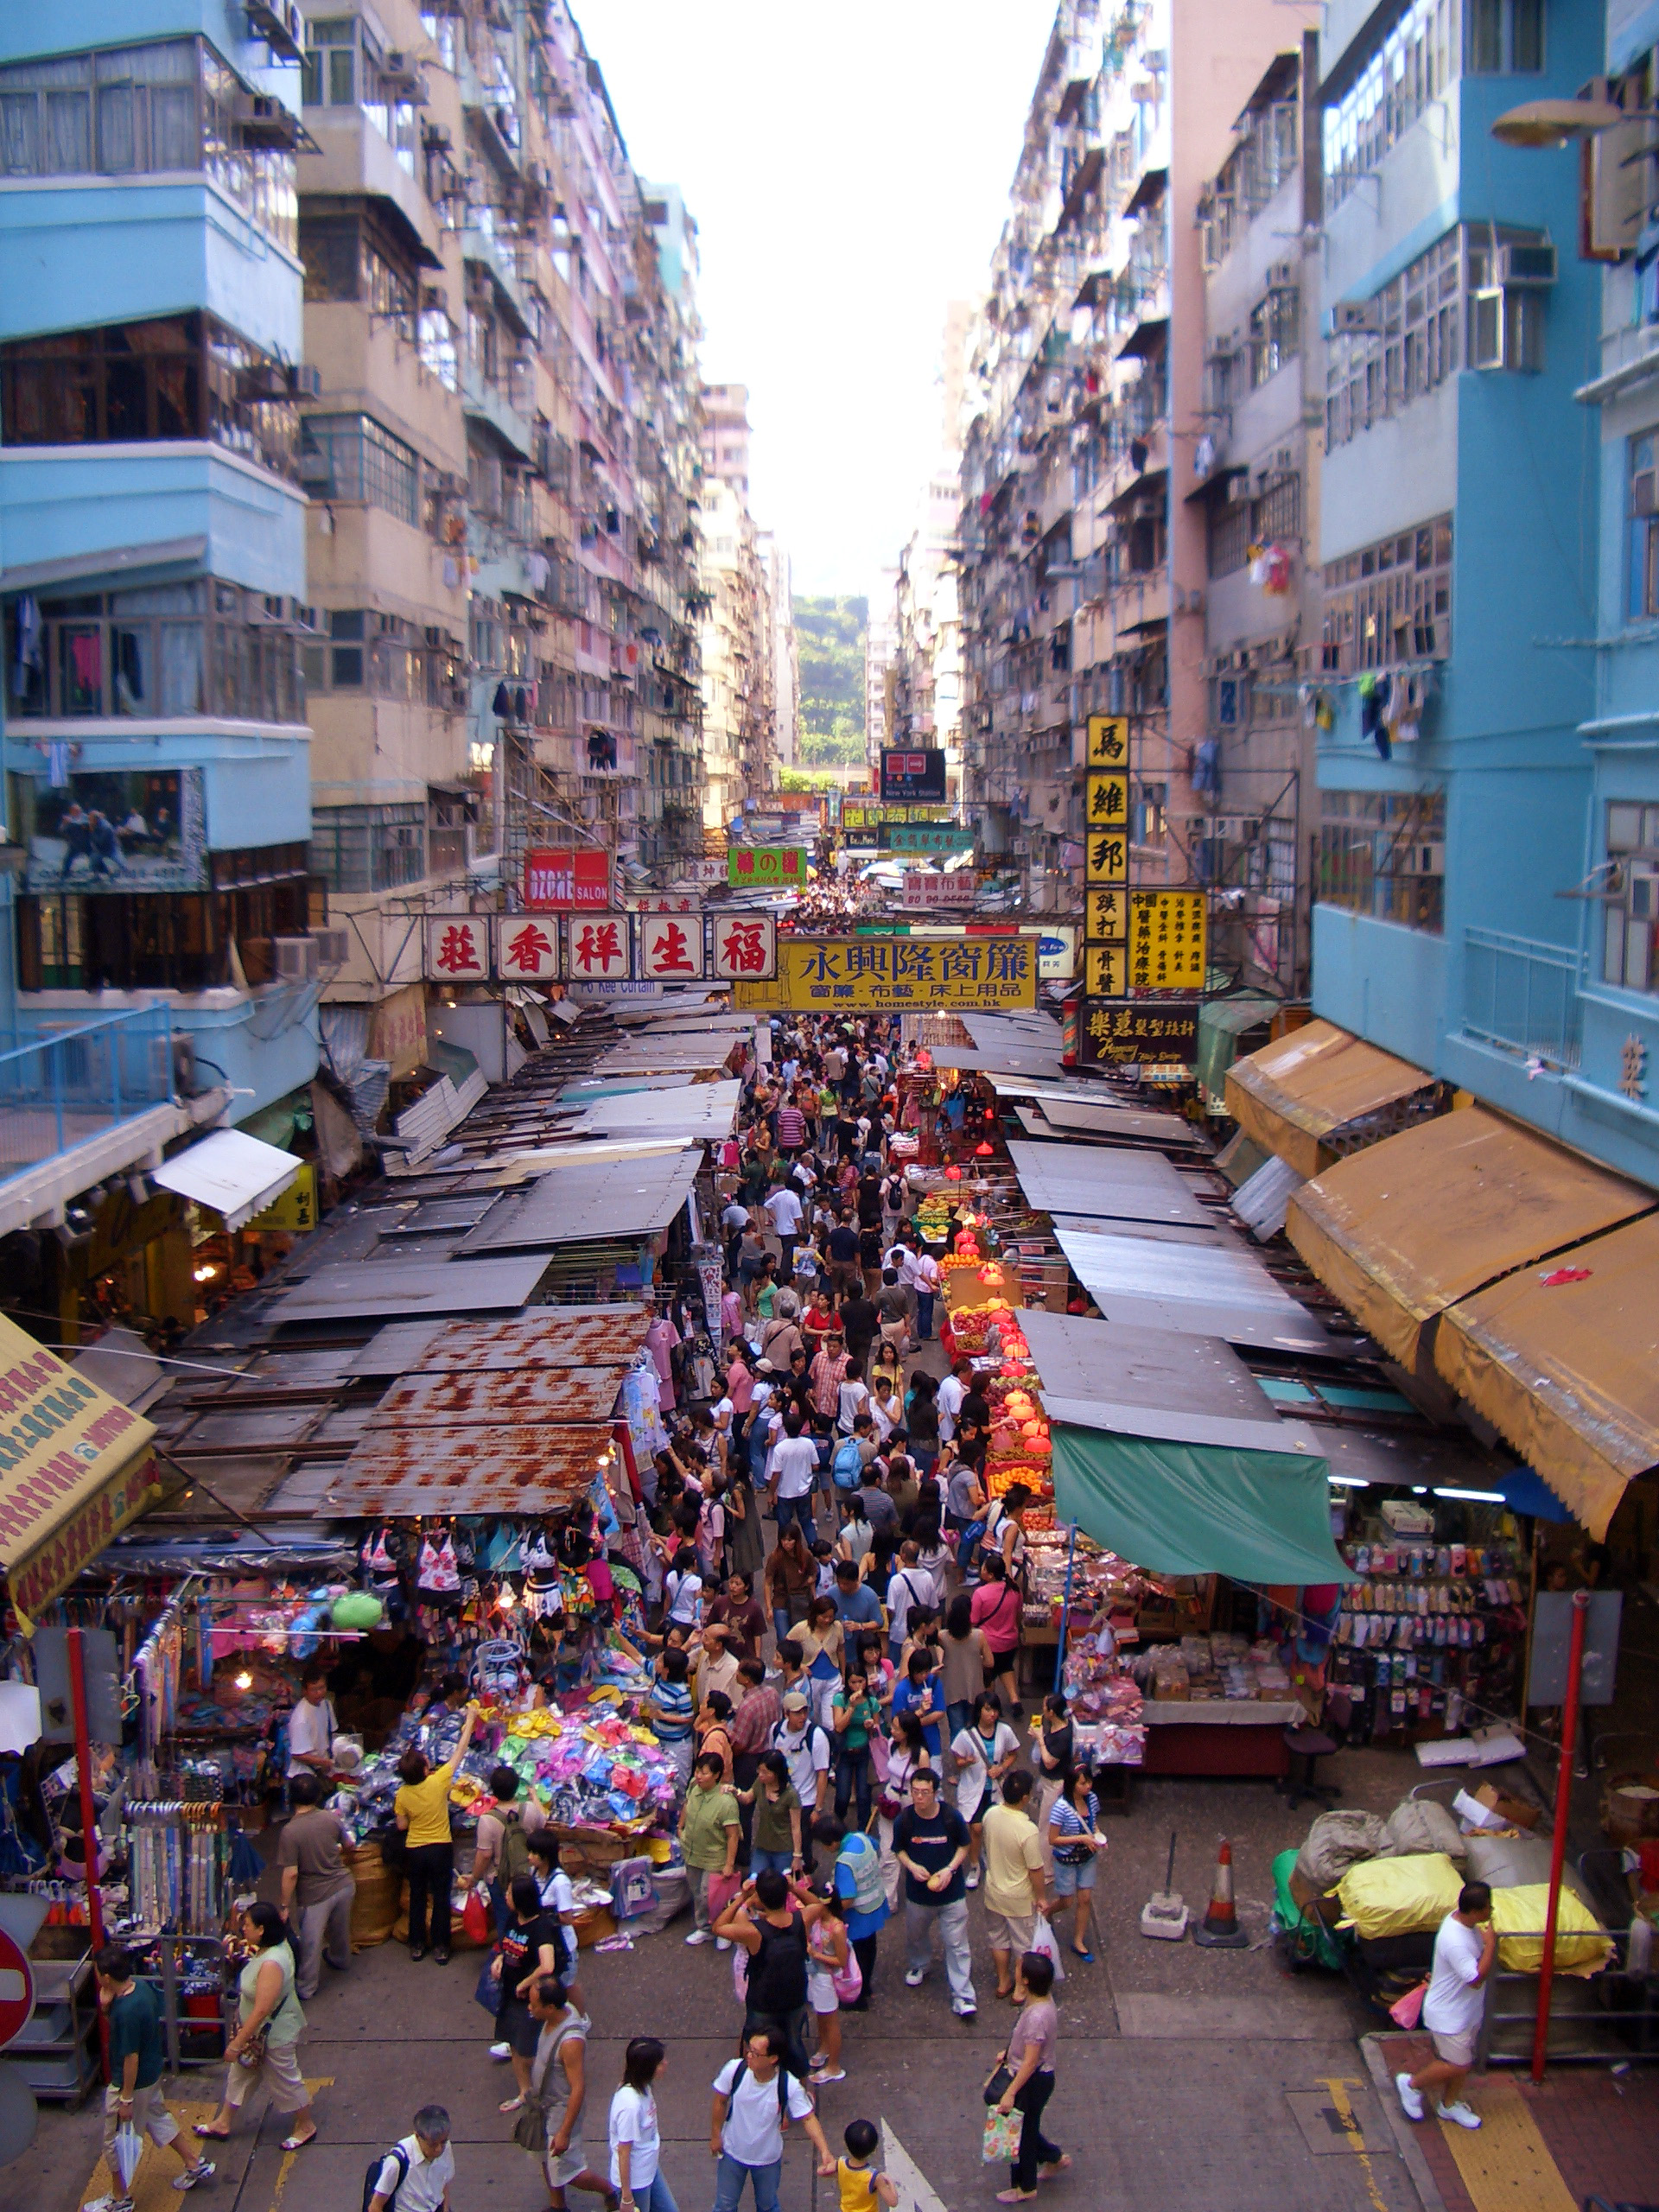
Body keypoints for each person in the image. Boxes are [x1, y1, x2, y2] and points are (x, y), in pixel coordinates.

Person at [92, 1944, 215, 2196]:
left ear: (106, 1977)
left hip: (131, 2083)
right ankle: (193, 2162)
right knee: (157, 2117)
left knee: (113, 2141)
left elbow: (130, 2057)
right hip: (151, 2075)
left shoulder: (125, 2011)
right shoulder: (141, 1987)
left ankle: (119, 2198)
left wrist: (126, 2099)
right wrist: (106, 2007)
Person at [195, 1903, 316, 2150]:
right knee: (240, 2075)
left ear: (261, 1930)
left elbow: (262, 2009)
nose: (243, 1929)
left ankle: (306, 2125)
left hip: (273, 2036)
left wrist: (237, 2043)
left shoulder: (272, 1963)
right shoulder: (273, 1947)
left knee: (285, 2080)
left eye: (247, 1925)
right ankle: (223, 2122)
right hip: (257, 2034)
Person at [1396, 1882, 1497, 2131]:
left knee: (1463, 2061)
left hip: (1466, 2012)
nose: (1492, 1911)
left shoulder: (1465, 1924)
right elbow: (1475, 1979)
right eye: (1488, 1907)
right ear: (1475, 1911)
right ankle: (1412, 2085)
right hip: (1449, 2016)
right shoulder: (1455, 1940)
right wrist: (1491, 1945)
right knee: (1458, 2064)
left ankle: (1449, 2104)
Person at [709, 2026, 834, 2212]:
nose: (749, 2055)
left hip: (767, 2159)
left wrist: (824, 2151)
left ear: (773, 2059)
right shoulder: (734, 2070)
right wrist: (715, 2136)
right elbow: (720, 2100)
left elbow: (808, 2119)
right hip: (732, 2152)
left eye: (755, 2053)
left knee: (767, 2206)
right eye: (749, 2049)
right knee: (724, 2206)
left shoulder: (788, 2084)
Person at [393, 1696, 479, 1962]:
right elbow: (460, 1751)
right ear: (425, 1769)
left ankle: (417, 1944)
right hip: (441, 1847)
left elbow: (401, 1825)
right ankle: (442, 1947)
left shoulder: (402, 1794)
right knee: (441, 1897)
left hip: (416, 1851)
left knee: (418, 1896)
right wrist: (471, 1720)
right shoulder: (438, 1781)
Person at [716, 1868, 820, 2077]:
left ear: (760, 1898)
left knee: (756, 2046)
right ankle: (801, 2085)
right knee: (794, 2043)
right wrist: (794, 1888)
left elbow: (719, 1926)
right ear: (785, 1894)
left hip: (763, 2002)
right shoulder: (801, 1920)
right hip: (794, 1997)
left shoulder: (754, 1932)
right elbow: (818, 1905)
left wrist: (742, 1897)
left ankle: (756, 2081)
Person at [526, 1973, 617, 2211]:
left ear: (550, 2008)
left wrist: (564, 2132)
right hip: (546, 2105)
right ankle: (558, 2206)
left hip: (561, 2112)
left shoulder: (570, 2042)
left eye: (534, 2004)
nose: (529, 2008)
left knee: (570, 2170)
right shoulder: (560, 2012)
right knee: (547, 2157)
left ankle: (610, 2191)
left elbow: (578, 2088)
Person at [893, 1764, 976, 2017]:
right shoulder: (905, 1820)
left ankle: (963, 1995)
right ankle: (919, 1964)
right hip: (918, 1896)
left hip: (952, 1895)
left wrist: (950, 1870)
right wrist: (911, 1866)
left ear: (935, 1793)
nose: (919, 1797)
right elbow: (899, 1849)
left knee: (957, 1944)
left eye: (925, 1792)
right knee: (916, 1935)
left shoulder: (951, 1818)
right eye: (915, 1791)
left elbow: (964, 1846)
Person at [990, 1951, 1069, 2203]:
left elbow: (1031, 2061)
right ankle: (1053, 2158)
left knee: (1022, 2134)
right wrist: (1010, 2052)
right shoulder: (1043, 2001)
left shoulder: (1036, 2017)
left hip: (1032, 2081)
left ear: (1026, 1981)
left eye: (1019, 1968)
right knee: (1028, 2127)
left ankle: (1026, 2186)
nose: (1016, 1969)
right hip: (1039, 2078)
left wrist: (1010, 2092)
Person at [276, 1770, 357, 1999]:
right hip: (344, 1885)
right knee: (340, 1929)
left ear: (291, 1798)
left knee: (311, 1943)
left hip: (315, 1896)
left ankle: (306, 1987)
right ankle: (340, 1959)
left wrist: (284, 1905)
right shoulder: (331, 1818)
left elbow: (291, 1873)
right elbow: (349, 1845)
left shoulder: (290, 1832)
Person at [493, 1875, 567, 2114]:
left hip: (530, 2000)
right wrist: (500, 1959)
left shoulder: (541, 1927)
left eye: (510, 1893)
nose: (506, 1897)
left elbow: (547, 1966)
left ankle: (544, 2091)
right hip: (510, 1996)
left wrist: (525, 1983)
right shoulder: (513, 1919)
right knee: (514, 2044)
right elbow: (507, 1946)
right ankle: (524, 2092)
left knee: (528, 2050)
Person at [982, 1772, 1048, 2001]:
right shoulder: (1027, 1830)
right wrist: (1041, 1897)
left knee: (998, 1939)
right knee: (1023, 1945)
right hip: (1019, 1898)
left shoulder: (990, 1815)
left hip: (993, 1892)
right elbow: (1035, 1869)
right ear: (1025, 1798)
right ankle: (1020, 1988)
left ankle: (1003, 1981)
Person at [950, 1693, 1020, 1891]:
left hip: (996, 1789)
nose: (992, 1714)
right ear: (979, 1711)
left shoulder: (1004, 1731)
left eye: (995, 1710)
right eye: (988, 1709)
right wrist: (967, 1761)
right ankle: (974, 1866)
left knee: (994, 1827)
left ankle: (990, 1857)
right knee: (976, 1828)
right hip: (974, 1789)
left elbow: (1013, 1753)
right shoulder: (966, 1735)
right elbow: (957, 1759)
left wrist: (1001, 1768)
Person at [817, 1814, 887, 2011]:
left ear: (833, 1842)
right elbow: (875, 1846)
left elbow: (847, 1898)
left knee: (857, 1957)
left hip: (858, 1915)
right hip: (874, 1905)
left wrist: (830, 1912)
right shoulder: (861, 1838)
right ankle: (867, 1987)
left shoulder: (844, 1863)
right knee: (870, 1949)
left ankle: (857, 1997)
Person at [679, 1749, 742, 1947]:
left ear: (716, 1775)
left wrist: (729, 1865)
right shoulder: (694, 1788)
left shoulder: (726, 1802)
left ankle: (723, 1929)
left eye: (704, 1773)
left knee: (713, 1896)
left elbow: (733, 1836)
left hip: (714, 1858)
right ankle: (704, 1928)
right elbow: (687, 1805)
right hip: (692, 1852)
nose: (699, 1776)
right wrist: (680, 1828)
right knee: (697, 1893)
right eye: (698, 1771)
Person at [1047, 1761, 1106, 1961]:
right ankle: (1047, 1911)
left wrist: (1097, 1836)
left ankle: (1079, 1941)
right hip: (1066, 1858)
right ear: (1072, 1784)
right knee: (1067, 1900)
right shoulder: (1061, 1808)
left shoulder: (1092, 1800)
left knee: (1085, 1898)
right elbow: (1053, 1839)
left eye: (1089, 1782)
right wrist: (1081, 1839)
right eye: (1082, 1783)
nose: (1087, 1786)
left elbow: (1093, 1823)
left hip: (1087, 1857)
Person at [611, 2037, 675, 2212]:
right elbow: (623, 2151)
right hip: (636, 2182)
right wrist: (626, 2197)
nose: (666, 2064)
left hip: (649, 2169)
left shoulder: (644, 2087)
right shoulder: (630, 2106)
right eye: (660, 2063)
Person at [365, 2104, 454, 2212]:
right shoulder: (396, 2163)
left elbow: (443, 2182)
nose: (439, 2149)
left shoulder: (446, 2147)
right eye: (432, 2145)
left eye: (443, 2142)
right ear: (417, 2136)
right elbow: (375, 2207)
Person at [970, 1556, 1024, 1719]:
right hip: (1010, 1641)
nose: (981, 1570)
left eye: (984, 1568)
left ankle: (992, 1706)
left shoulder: (980, 1594)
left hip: (989, 1644)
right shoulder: (1014, 1590)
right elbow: (1019, 1614)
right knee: (1006, 1667)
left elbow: (973, 1621)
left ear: (991, 1574)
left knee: (989, 1675)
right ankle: (1015, 1700)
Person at [771, 1692, 832, 1830]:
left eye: (805, 1711)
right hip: (780, 1799)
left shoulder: (816, 1736)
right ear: (786, 1714)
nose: (803, 1717)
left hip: (805, 1802)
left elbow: (822, 1773)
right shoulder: (776, 1730)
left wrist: (817, 1809)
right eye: (797, 1713)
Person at [805, 1896, 849, 2083]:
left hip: (827, 1979)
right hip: (816, 1975)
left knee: (831, 2021)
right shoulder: (817, 1921)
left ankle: (834, 2066)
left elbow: (841, 1960)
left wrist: (816, 1955)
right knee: (821, 2014)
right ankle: (824, 2047)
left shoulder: (837, 1929)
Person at [830, 1666, 881, 1829]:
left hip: (864, 1752)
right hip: (845, 1752)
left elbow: (877, 1730)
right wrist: (851, 1708)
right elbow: (839, 1726)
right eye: (853, 1682)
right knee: (842, 1795)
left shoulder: (871, 1702)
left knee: (863, 1795)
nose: (857, 1686)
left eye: (861, 1681)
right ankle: (837, 1826)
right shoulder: (840, 1699)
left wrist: (871, 1727)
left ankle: (863, 1829)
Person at [743, 1749, 804, 1878]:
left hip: (783, 1850)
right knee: (754, 1880)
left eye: (765, 1772)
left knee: (782, 1884)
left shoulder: (791, 1795)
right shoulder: (760, 1783)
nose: (761, 1775)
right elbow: (747, 1798)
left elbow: (796, 1827)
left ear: (776, 1773)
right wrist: (734, 1791)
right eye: (759, 1770)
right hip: (762, 1846)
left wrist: (797, 1856)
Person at [1033, 1694, 1074, 1878]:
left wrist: (1040, 1739)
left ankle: (1046, 1871)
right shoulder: (1056, 1726)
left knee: (1046, 1828)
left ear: (1051, 1712)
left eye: (1045, 1707)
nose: (1042, 1709)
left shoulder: (1063, 1736)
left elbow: (1049, 1762)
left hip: (1055, 1785)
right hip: (1047, 1782)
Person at [645, 1647, 696, 1788]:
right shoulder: (658, 1677)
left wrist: (663, 1716)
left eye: (660, 1660)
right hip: (658, 1739)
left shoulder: (682, 1693)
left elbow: (688, 1718)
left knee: (678, 1784)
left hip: (677, 1746)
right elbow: (638, 1658)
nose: (656, 1661)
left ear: (667, 1669)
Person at [285, 1664, 337, 1780]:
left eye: (322, 1688)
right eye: (314, 1690)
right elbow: (298, 1755)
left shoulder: (326, 1704)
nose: (319, 1693)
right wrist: (326, 1763)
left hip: (324, 1767)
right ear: (305, 1691)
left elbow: (332, 1734)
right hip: (304, 1773)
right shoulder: (301, 1718)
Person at [836, 2118, 898, 2212]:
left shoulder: (841, 2163)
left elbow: (822, 2171)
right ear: (874, 2150)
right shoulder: (874, 2177)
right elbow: (893, 2202)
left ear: (846, 2145)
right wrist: (890, 2182)